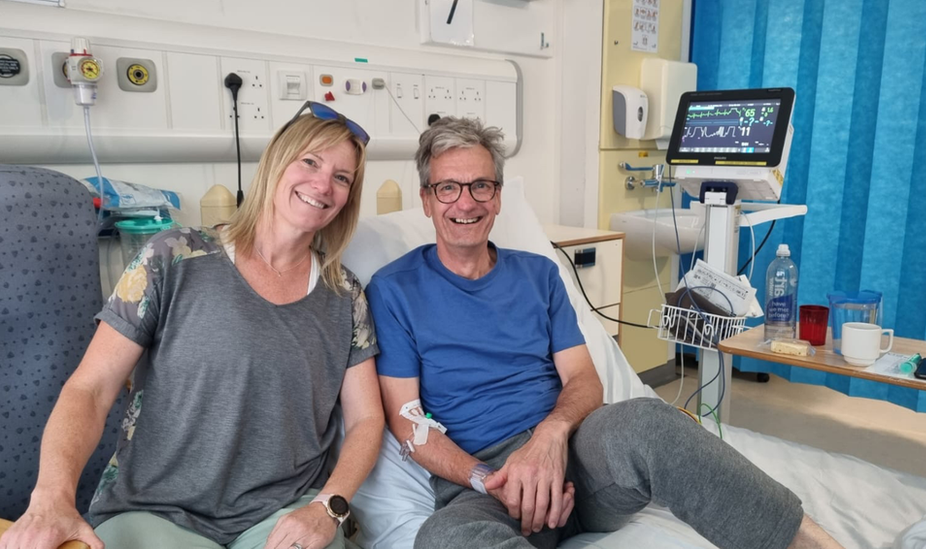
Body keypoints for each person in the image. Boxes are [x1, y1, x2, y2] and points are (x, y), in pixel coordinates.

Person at [364, 117, 844, 549]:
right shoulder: (394, 290)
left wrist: (550, 439)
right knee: (443, 538)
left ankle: (809, 545)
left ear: (498, 196)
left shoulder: (538, 274)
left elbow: (583, 380)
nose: (465, 202)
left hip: (577, 454)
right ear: (426, 200)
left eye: (481, 186)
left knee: (651, 421)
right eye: (448, 188)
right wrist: (491, 479)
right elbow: (407, 422)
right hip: (488, 486)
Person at [0, 102, 384, 549]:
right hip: (157, 510)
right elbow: (90, 389)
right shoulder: (175, 258)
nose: (323, 184)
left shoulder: (345, 295)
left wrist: (327, 507)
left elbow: (366, 419)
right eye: (311, 162)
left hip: (282, 515)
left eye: (342, 177)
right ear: (276, 163)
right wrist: (50, 499)